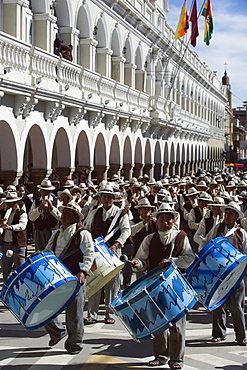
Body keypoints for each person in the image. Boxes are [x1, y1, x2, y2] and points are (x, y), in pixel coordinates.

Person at [132, 204, 195, 369]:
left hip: (176, 284)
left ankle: (177, 359)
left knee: (177, 323)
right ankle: (160, 356)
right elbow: (142, 259)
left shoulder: (181, 236)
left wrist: (173, 261)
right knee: (158, 321)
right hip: (155, 284)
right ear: (157, 221)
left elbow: (189, 258)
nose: (165, 222)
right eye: (162, 219)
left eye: (168, 219)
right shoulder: (150, 238)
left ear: (173, 221)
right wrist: (137, 263)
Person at [43, 202, 94, 354]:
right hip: (56, 277)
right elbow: (48, 249)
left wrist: (83, 272)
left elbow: (89, 254)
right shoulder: (57, 233)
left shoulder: (83, 233)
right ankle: (58, 331)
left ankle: (75, 344)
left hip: (74, 277)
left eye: (67, 213)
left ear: (75, 217)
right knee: (45, 308)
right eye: (63, 212)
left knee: (74, 314)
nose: (63, 216)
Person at [199, 201, 247, 346]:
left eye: (230, 214)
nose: (227, 216)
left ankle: (241, 336)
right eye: (226, 213)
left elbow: (245, 253)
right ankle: (219, 333)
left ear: (236, 217)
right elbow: (205, 243)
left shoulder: (241, 233)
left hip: (235, 274)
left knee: (236, 305)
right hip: (218, 273)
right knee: (218, 303)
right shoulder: (217, 229)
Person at [83, 184, 130, 324]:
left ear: (114, 199)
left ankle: (110, 314)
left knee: (112, 283)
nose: (107, 199)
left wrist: (117, 244)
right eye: (105, 197)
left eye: (110, 197)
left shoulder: (120, 213)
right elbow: (87, 229)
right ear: (100, 198)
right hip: (97, 252)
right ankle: (92, 314)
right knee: (95, 281)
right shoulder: (94, 212)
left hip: (113, 251)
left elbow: (126, 230)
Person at [0, 192, 28, 281]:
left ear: (16, 203)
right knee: (6, 268)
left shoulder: (22, 213)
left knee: (20, 269)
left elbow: (22, 225)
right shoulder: (2, 212)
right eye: (8, 203)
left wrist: (10, 227)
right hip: (6, 244)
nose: (9, 205)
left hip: (18, 244)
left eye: (11, 203)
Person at [28, 179, 60, 251]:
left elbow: (60, 217)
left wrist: (52, 208)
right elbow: (31, 217)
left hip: (52, 231)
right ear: (41, 191)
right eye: (44, 190)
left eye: (48, 191)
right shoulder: (36, 201)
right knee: (39, 251)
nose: (46, 193)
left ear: (50, 191)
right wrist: (39, 209)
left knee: (52, 251)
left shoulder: (56, 201)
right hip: (39, 230)